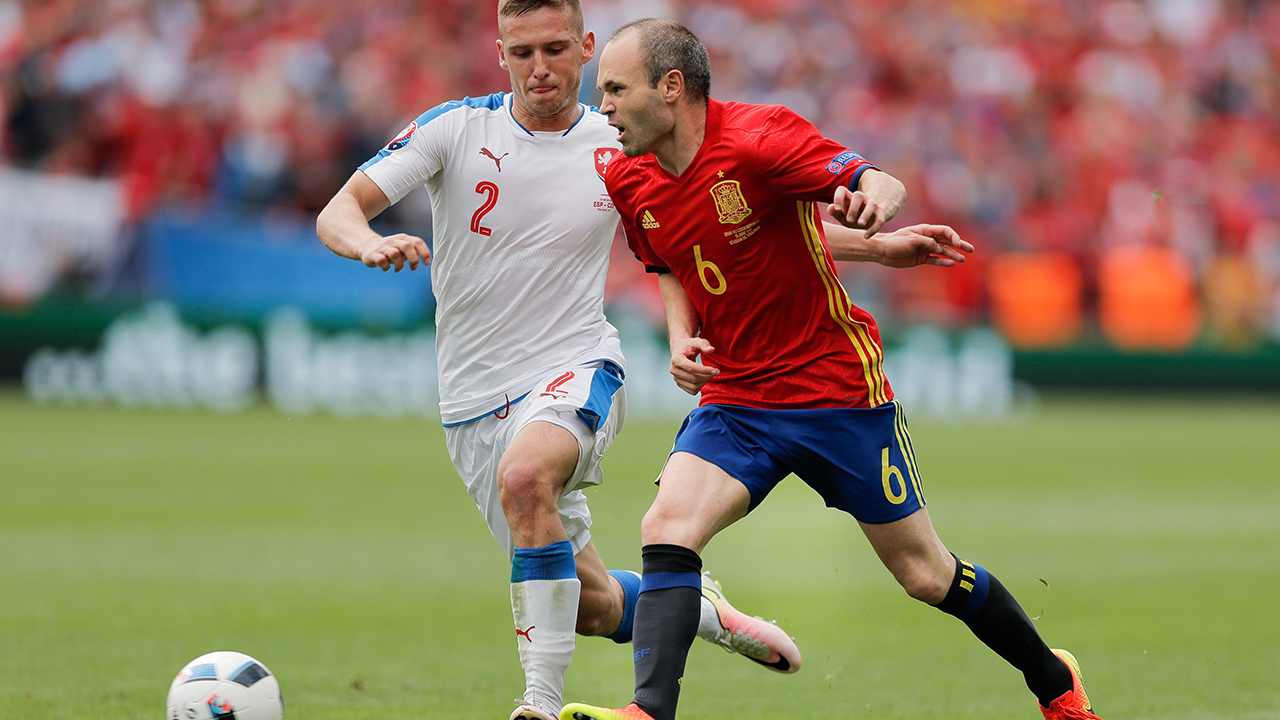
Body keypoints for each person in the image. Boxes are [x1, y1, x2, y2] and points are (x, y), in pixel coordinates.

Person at [559, 18, 1100, 720]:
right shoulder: (629, 176)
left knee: (924, 574)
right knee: (667, 527)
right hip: (738, 397)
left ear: (670, 87)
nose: (601, 105)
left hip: (835, 389)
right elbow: (670, 258)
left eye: (614, 88)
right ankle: (649, 712)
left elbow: (875, 181)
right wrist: (681, 335)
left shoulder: (760, 137)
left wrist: (876, 212)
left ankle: (1054, 682)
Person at [314, 4, 804, 720]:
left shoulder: (622, 140)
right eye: (522, 53)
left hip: (576, 365)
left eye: (554, 49)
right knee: (591, 606)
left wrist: (874, 246)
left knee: (525, 476)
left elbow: (739, 223)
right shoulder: (456, 129)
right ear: (500, 53)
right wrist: (369, 243)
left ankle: (539, 701)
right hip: (472, 400)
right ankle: (697, 608)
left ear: (586, 48)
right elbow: (339, 210)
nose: (538, 68)